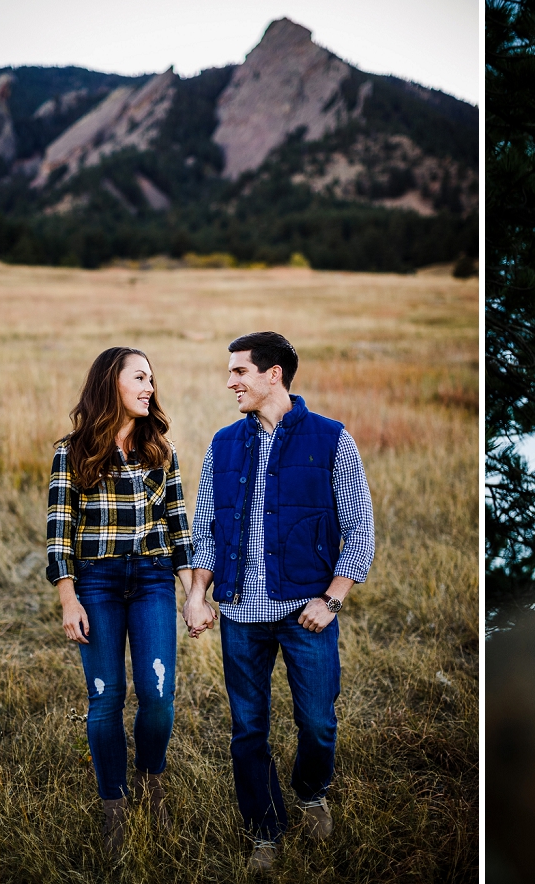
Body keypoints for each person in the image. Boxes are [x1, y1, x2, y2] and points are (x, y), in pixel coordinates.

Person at [183, 331, 374, 872]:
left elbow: (359, 528)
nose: (229, 382)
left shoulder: (332, 439)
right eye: (230, 372)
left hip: (305, 616)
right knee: (248, 730)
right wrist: (198, 595)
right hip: (240, 615)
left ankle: (311, 791)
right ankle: (264, 831)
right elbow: (206, 528)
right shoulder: (223, 444)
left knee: (317, 723)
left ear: (274, 375)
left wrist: (332, 599)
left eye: (239, 372)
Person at [47, 346, 193, 856]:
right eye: (140, 377)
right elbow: (59, 533)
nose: (150, 386)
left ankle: (151, 782)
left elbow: (179, 529)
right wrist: (69, 599)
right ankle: (114, 804)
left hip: (153, 579)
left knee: (157, 694)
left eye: (152, 378)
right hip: (98, 584)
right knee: (106, 696)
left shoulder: (162, 451)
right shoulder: (72, 451)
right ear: (111, 383)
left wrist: (194, 593)